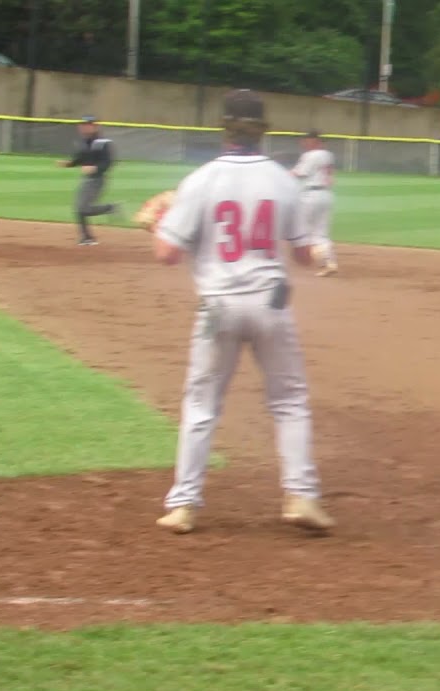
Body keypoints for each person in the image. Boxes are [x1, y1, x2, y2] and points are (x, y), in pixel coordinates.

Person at [150, 89, 335, 535]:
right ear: (261, 132)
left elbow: (167, 254)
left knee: (201, 405)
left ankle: (183, 506)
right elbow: (305, 256)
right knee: (289, 402)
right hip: (271, 305)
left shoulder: (201, 180)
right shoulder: (281, 180)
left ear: (224, 129)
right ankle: (302, 495)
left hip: (219, 307)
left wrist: (156, 219)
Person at [57, 116, 119, 246]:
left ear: (95, 126)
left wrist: (95, 168)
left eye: (87, 124)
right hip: (87, 179)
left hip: (97, 180)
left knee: (83, 208)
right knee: (79, 208)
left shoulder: (103, 142)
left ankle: (110, 208)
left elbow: (108, 162)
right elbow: (80, 159)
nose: (84, 127)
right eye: (83, 125)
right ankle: (87, 237)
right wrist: (69, 164)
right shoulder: (84, 142)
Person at [291, 130, 339, 276]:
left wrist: (283, 173)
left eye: (307, 141)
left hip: (310, 196)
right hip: (326, 195)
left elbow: (300, 173)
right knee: (321, 232)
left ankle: (318, 259)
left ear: (314, 141)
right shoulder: (327, 154)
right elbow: (330, 174)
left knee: (305, 231)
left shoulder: (309, 155)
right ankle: (329, 262)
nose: (304, 143)